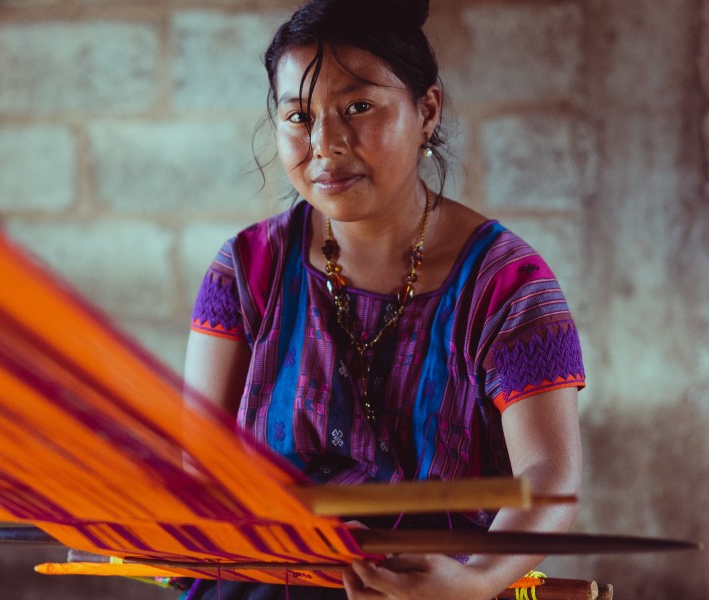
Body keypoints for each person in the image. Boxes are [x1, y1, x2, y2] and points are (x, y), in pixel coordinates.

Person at [184, 0, 584, 598]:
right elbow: (201, 464)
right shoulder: (247, 269)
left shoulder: (505, 284)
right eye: (298, 116)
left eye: (359, 107)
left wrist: (477, 583)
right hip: (268, 581)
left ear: (426, 110)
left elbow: (548, 477)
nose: (325, 143)